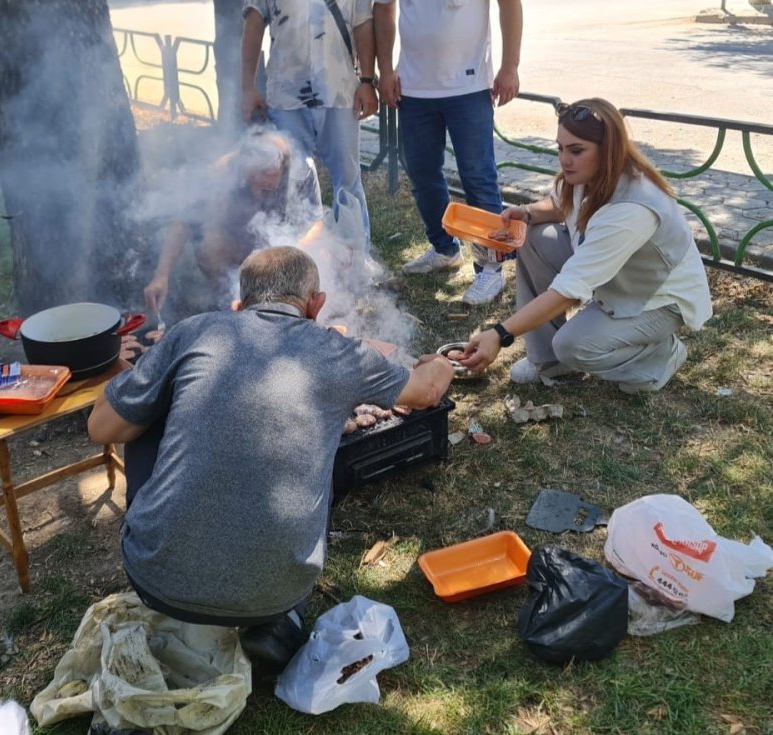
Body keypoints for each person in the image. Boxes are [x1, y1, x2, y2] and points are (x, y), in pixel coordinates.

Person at [89, 246, 454, 669]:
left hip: (157, 583)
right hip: (278, 595)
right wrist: (442, 363)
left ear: (239, 305)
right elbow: (427, 391)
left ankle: (177, 552)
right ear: (316, 305)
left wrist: (136, 383)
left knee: (143, 418)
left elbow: (102, 428)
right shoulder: (337, 351)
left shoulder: (196, 331)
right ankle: (281, 622)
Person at [459, 99, 713, 393]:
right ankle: (548, 361)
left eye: (576, 150)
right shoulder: (588, 175)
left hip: (657, 298)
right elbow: (559, 206)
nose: (565, 160)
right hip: (617, 279)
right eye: (561, 148)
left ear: (608, 151)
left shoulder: (632, 207)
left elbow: (569, 290)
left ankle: (659, 357)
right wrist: (527, 214)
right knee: (533, 236)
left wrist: (500, 334)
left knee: (573, 346)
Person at [372, 0, 523, 305]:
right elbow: (384, 8)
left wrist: (510, 66)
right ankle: (444, 249)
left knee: (479, 177)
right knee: (422, 174)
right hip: (414, 87)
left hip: (470, 85)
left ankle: (490, 266)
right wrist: (384, 70)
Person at [241, 0, 378, 252]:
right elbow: (253, 26)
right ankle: (300, 263)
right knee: (294, 184)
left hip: (340, 91)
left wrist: (368, 81)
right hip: (286, 95)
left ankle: (357, 260)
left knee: (348, 181)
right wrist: (247, 87)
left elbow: (364, 24)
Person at [143, 130, 324, 323]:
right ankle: (226, 299)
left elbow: (316, 224)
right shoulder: (222, 172)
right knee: (211, 245)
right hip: (238, 244)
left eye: (265, 187)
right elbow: (184, 224)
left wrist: (287, 256)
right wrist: (161, 276)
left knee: (320, 255)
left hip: (284, 250)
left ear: (283, 170)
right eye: (251, 182)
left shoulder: (303, 172)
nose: (256, 192)